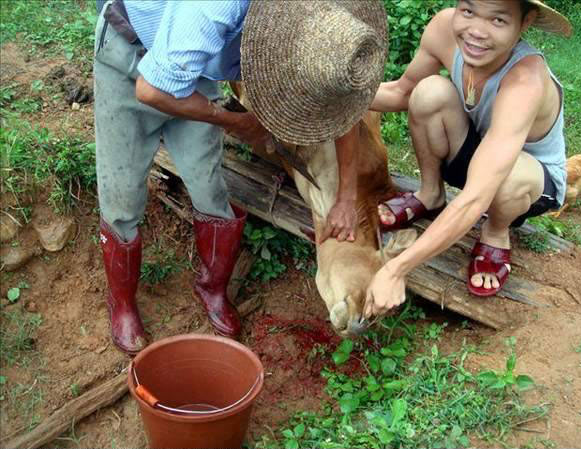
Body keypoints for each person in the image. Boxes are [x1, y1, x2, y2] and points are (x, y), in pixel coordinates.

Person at [94, 0, 388, 353]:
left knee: (209, 187)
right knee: (122, 195)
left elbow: (342, 111)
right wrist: (237, 122)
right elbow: (151, 90)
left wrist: (346, 197)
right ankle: (122, 303)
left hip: (196, 67)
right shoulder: (214, 9)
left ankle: (212, 289)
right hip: (132, 59)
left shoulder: (316, 22)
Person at [363, 0, 571, 318]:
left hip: (528, 181)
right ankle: (430, 193)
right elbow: (402, 92)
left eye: (498, 20)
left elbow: (476, 195)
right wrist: (337, 91)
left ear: (525, 22)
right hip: (477, 151)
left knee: (509, 176)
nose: (476, 31)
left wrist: (395, 269)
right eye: (468, 11)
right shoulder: (443, 29)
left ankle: (496, 232)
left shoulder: (525, 81)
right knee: (427, 91)